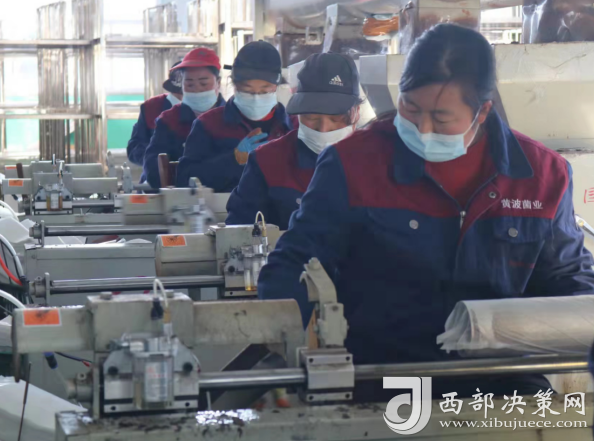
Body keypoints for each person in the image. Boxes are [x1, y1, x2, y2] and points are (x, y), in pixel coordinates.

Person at [258, 24, 594, 400]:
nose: (422, 127)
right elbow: (297, 257)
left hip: (503, 378)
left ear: (482, 111)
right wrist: (283, 338)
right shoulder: (352, 164)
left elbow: (568, 279)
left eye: (441, 117)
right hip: (384, 376)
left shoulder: (542, 175)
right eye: (410, 109)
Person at [226, 53, 361, 230]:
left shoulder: (378, 162)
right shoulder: (267, 161)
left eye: (336, 118)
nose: (323, 129)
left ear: (357, 113)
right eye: (311, 117)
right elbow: (238, 231)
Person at [176, 41, 296, 191]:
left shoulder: (293, 127)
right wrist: (234, 159)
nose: (256, 97)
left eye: (264, 91)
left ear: (276, 87)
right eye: (247, 90)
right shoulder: (208, 124)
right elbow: (184, 177)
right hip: (224, 205)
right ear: (234, 85)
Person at [143, 48, 225, 189]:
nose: (197, 89)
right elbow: (153, 165)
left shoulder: (233, 119)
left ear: (218, 82)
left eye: (204, 83)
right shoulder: (168, 121)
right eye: (189, 84)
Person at [126, 61, 183, 169]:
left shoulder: (212, 108)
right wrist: (156, 161)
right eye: (189, 81)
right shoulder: (151, 107)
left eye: (203, 83)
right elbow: (134, 148)